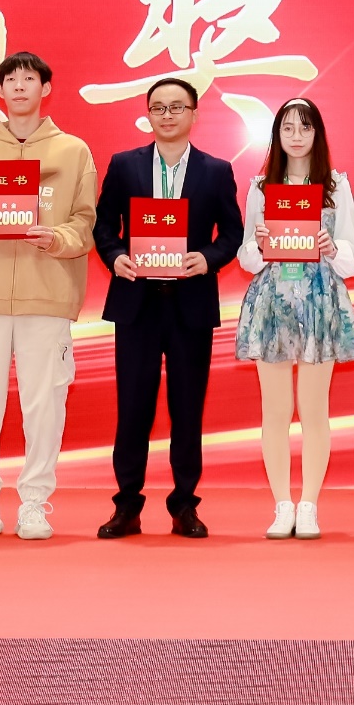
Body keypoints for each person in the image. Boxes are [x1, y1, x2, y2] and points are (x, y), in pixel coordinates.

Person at [0, 51, 98, 541]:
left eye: (29, 79)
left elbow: (85, 221)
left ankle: (34, 503)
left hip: (47, 294)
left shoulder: (73, 151)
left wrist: (57, 238)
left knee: (44, 404)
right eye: (10, 80)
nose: (19, 87)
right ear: (0, 90)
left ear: (45, 88)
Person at [94, 77, 243, 540]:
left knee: (187, 409)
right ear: (148, 115)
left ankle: (184, 506)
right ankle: (127, 506)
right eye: (158, 107)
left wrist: (208, 258)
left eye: (177, 107)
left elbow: (233, 234)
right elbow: (103, 226)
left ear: (194, 114)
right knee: (132, 409)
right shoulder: (125, 165)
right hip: (136, 304)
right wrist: (116, 257)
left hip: (189, 306)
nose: (167, 115)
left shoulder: (216, 170)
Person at [233, 98, 354, 539]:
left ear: (317, 134)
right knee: (275, 410)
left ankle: (309, 505)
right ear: (277, 135)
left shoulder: (337, 185)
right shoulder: (260, 187)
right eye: (287, 127)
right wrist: (259, 243)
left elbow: (352, 255)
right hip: (272, 301)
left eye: (304, 127)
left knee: (314, 409)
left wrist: (333, 247)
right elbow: (247, 256)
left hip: (319, 301)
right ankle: (281, 505)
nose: (296, 135)